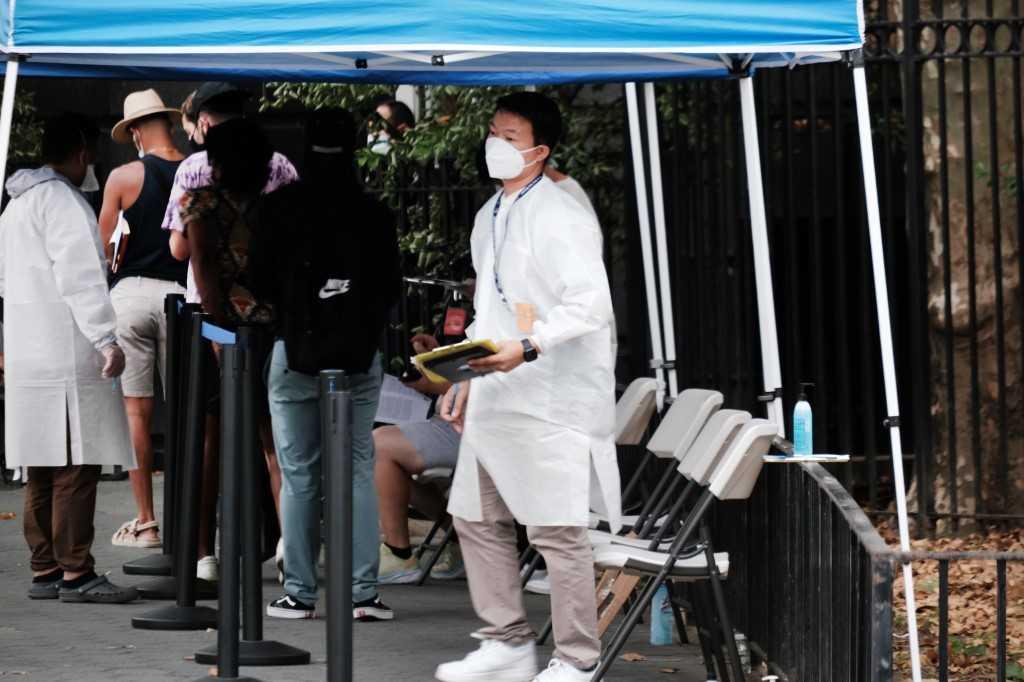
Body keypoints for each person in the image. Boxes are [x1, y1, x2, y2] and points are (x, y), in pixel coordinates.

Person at [434, 92, 619, 682]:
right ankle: (507, 642)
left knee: (557, 530)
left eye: (509, 136)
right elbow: (491, 305)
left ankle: (577, 658)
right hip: (498, 387)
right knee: (475, 515)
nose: (496, 143)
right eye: (494, 131)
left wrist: (530, 347)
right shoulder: (492, 212)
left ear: (539, 149)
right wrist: (464, 376)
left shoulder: (561, 212)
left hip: (551, 393)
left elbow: (589, 304)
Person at [251, 108, 400, 621]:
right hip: (358, 357)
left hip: (294, 353)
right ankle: (363, 592)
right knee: (358, 470)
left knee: (299, 474)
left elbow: (259, 279)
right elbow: (390, 289)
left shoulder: (280, 208)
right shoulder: (373, 212)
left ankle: (300, 591)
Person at [0, 112, 139, 604]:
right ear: (83, 153)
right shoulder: (63, 202)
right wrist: (107, 339)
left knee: (39, 462)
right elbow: (80, 276)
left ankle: (45, 569)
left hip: (26, 347)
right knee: (76, 466)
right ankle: (77, 571)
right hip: (66, 347)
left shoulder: (16, 205)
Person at [165, 83, 296, 581]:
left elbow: (194, 264)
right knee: (275, 443)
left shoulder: (198, 198)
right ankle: (290, 547)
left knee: (210, 441)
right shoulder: (281, 188)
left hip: (216, 329)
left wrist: (220, 338)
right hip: (272, 328)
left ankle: (204, 553)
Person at [100, 89, 186, 549]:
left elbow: (105, 249)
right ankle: (190, 519)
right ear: (168, 124)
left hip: (130, 296)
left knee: (137, 411)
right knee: (189, 411)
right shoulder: (195, 171)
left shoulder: (123, 176)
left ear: (134, 131)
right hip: (181, 296)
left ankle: (146, 522)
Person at [374, 332, 464, 585]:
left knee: (378, 446)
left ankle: (398, 552)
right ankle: (457, 535)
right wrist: (433, 358)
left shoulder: (511, 309)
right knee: (382, 453)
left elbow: (493, 381)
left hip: (474, 425)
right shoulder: (490, 307)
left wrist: (437, 385)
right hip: (456, 419)